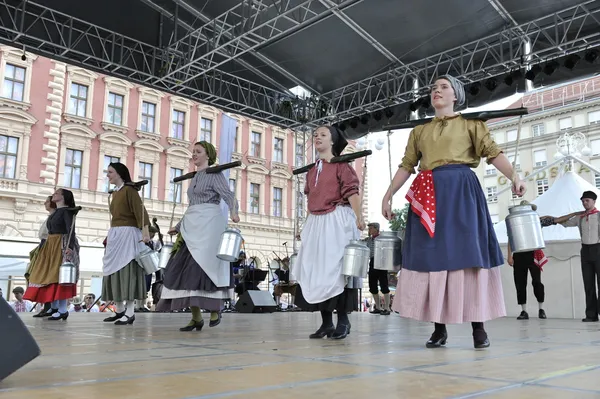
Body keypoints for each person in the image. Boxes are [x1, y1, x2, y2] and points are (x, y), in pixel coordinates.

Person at [381, 75, 526, 349]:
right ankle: (439, 328)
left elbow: (493, 154)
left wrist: (514, 176)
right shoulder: (419, 132)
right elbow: (407, 165)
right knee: (434, 258)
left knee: (467, 254)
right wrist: (388, 194)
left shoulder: (472, 124)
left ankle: (478, 328)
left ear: (456, 95)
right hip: (429, 194)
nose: (436, 91)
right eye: (433, 88)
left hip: (461, 192)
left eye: (443, 87)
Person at [156, 141, 240, 331]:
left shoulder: (214, 174)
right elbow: (192, 206)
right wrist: (178, 226)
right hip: (192, 225)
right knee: (185, 270)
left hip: (209, 225)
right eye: (193, 151)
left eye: (198, 151)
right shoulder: (194, 178)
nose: (194, 154)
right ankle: (196, 317)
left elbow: (228, 195)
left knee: (204, 268)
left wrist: (234, 212)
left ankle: (214, 309)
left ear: (208, 155)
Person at [292, 125, 365, 340]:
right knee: (317, 271)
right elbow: (310, 200)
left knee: (336, 271)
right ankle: (326, 323)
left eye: (323, 135)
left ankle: (343, 320)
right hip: (316, 222)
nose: (317, 137)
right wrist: (305, 226)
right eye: (315, 135)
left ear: (333, 141)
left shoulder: (342, 166)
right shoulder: (312, 171)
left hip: (336, 220)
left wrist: (359, 217)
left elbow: (352, 192)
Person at [101, 162, 150, 326]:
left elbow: (141, 212)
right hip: (116, 234)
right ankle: (120, 309)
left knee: (126, 270)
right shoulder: (115, 193)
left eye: (110, 172)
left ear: (119, 173)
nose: (108, 175)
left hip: (128, 234)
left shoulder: (130, 190)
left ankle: (130, 312)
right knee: (114, 271)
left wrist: (145, 232)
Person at [23, 188, 80, 321]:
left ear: (64, 197)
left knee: (59, 276)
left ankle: (62, 309)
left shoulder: (66, 212)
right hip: (51, 244)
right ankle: (54, 307)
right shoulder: (57, 212)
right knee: (50, 275)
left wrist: (69, 247)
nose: (54, 194)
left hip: (60, 244)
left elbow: (71, 231)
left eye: (57, 193)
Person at [547, 191, 598, 322]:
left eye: (587, 200)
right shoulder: (580, 217)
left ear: (594, 201)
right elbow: (563, 222)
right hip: (585, 250)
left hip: (598, 248)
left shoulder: (598, 215)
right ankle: (591, 315)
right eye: (583, 200)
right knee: (588, 283)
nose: (584, 203)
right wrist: (574, 213)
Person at [507, 201, 554, 320]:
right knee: (520, 283)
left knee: (537, 282)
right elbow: (511, 238)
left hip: (533, 253)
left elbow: (551, 220)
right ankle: (524, 311)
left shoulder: (535, 220)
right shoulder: (516, 220)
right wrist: (509, 255)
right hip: (519, 254)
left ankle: (541, 308)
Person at [28, 195, 57, 317]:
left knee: (45, 277)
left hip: (48, 247)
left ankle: (49, 307)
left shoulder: (54, 217)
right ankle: (47, 306)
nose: (45, 203)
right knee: (41, 277)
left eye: (47, 201)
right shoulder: (50, 217)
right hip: (44, 246)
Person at [363, 222, 390, 315]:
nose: (369, 230)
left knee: (384, 285)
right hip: (372, 262)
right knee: (372, 285)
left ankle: (387, 308)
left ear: (376, 229)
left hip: (382, 262)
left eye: (371, 228)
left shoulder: (383, 239)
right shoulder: (368, 240)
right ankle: (378, 307)